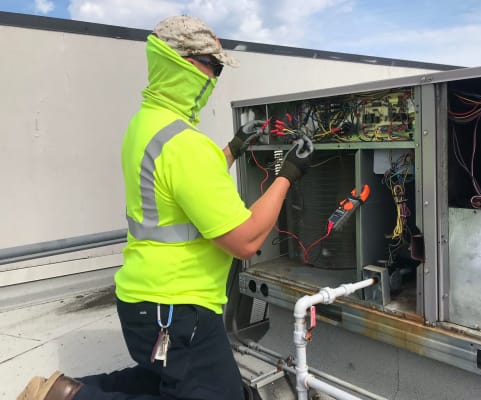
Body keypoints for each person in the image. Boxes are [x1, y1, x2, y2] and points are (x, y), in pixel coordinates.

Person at [17, 15, 313, 400]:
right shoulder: (185, 144)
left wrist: (234, 148)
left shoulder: (148, 125)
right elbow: (246, 240)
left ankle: (63, 389)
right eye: (214, 66)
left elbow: (181, 185)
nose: (216, 77)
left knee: (167, 378)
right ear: (186, 65)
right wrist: (288, 174)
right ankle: (70, 398)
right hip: (175, 309)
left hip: (146, 300)